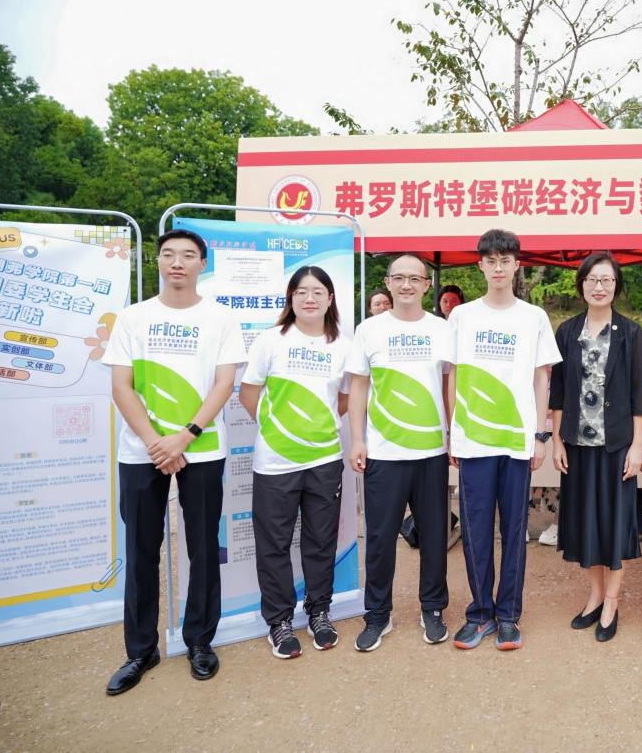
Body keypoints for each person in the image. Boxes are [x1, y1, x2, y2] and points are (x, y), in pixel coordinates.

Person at [101, 229, 245, 695]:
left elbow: (224, 384)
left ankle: (199, 640)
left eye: (187, 255)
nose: (177, 262)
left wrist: (185, 436)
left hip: (201, 447)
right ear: (158, 262)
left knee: (203, 546)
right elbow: (121, 386)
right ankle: (140, 649)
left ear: (203, 263)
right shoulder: (133, 317)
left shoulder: (221, 318)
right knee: (141, 549)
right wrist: (155, 443)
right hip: (141, 451)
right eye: (168, 254)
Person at [447, 229, 560, 650]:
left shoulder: (533, 317)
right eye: (491, 260)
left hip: (516, 441)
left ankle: (509, 615)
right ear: (480, 266)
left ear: (517, 265)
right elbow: (453, 375)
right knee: (476, 530)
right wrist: (453, 431)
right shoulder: (462, 316)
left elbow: (542, 377)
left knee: (515, 531)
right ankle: (480, 614)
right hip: (473, 439)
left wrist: (540, 435)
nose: (498, 267)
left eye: (505, 260)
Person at [239, 267, 350, 658]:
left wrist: (317, 428)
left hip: (325, 459)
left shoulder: (343, 344)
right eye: (301, 292)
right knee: (274, 543)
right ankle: (279, 621)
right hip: (275, 462)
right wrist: (277, 430)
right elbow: (248, 393)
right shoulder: (271, 340)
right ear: (290, 298)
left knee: (321, 540)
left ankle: (319, 611)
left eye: (318, 291)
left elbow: (345, 398)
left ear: (330, 299)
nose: (309, 298)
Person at [347, 254, 454, 649]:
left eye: (415, 278)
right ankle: (378, 615)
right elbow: (359, 386)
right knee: (379, 538)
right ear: (388, 283)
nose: (406, 285)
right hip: (384, 452)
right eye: (399, 278)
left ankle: (433, 608)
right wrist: (357, 439)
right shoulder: (369, 330)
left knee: (434, 535)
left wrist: (453, 434)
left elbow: (450, 384)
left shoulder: (441, 329)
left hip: (431, 451)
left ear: (427, 284)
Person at [550, 252, 642, 643]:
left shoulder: (631, 333)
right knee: (586, 524)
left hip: (617, 445)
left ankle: (612, 600)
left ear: (616, 286)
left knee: (616, 524)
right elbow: (558, 391)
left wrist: (637, 445)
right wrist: (557, 439)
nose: (599, 286)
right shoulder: (567, 331)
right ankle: (594, 595)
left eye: (607, 280)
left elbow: (639, 394)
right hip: (577, 445)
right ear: (582, 285)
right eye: (592, 279)